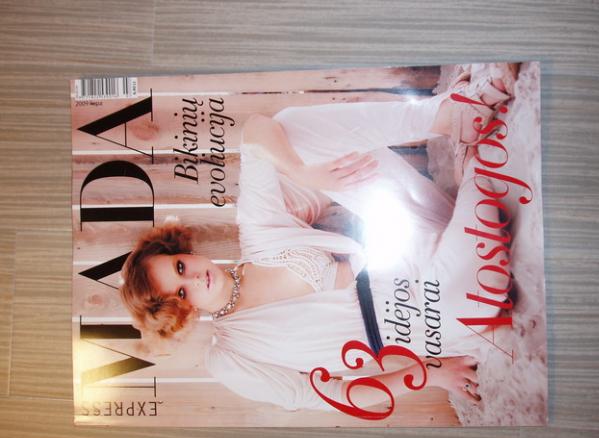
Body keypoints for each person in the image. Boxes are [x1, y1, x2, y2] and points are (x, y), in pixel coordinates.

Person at [120, 63, 519, 414]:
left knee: (290, 129)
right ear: (184, 313)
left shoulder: (258, 238)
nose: (194, 278)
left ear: (184, 253)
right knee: (482, 257)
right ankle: (475, 175)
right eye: (182, 293)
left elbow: (256, 131)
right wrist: (431, 373)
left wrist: (302, 173)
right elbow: (331, 395)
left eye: (180, 267)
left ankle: (450, 116)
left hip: (410, 241)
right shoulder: (231, 357)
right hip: (424, 312)